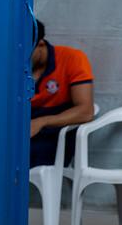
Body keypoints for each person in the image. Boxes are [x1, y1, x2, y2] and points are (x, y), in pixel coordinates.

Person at [30, 20, 95, 168]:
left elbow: (86, 112)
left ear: (40, 44)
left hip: (56, 136)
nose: (20, 58)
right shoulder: (9, 64)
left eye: (26, 52)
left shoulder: (72, 59)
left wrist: (42, 122)